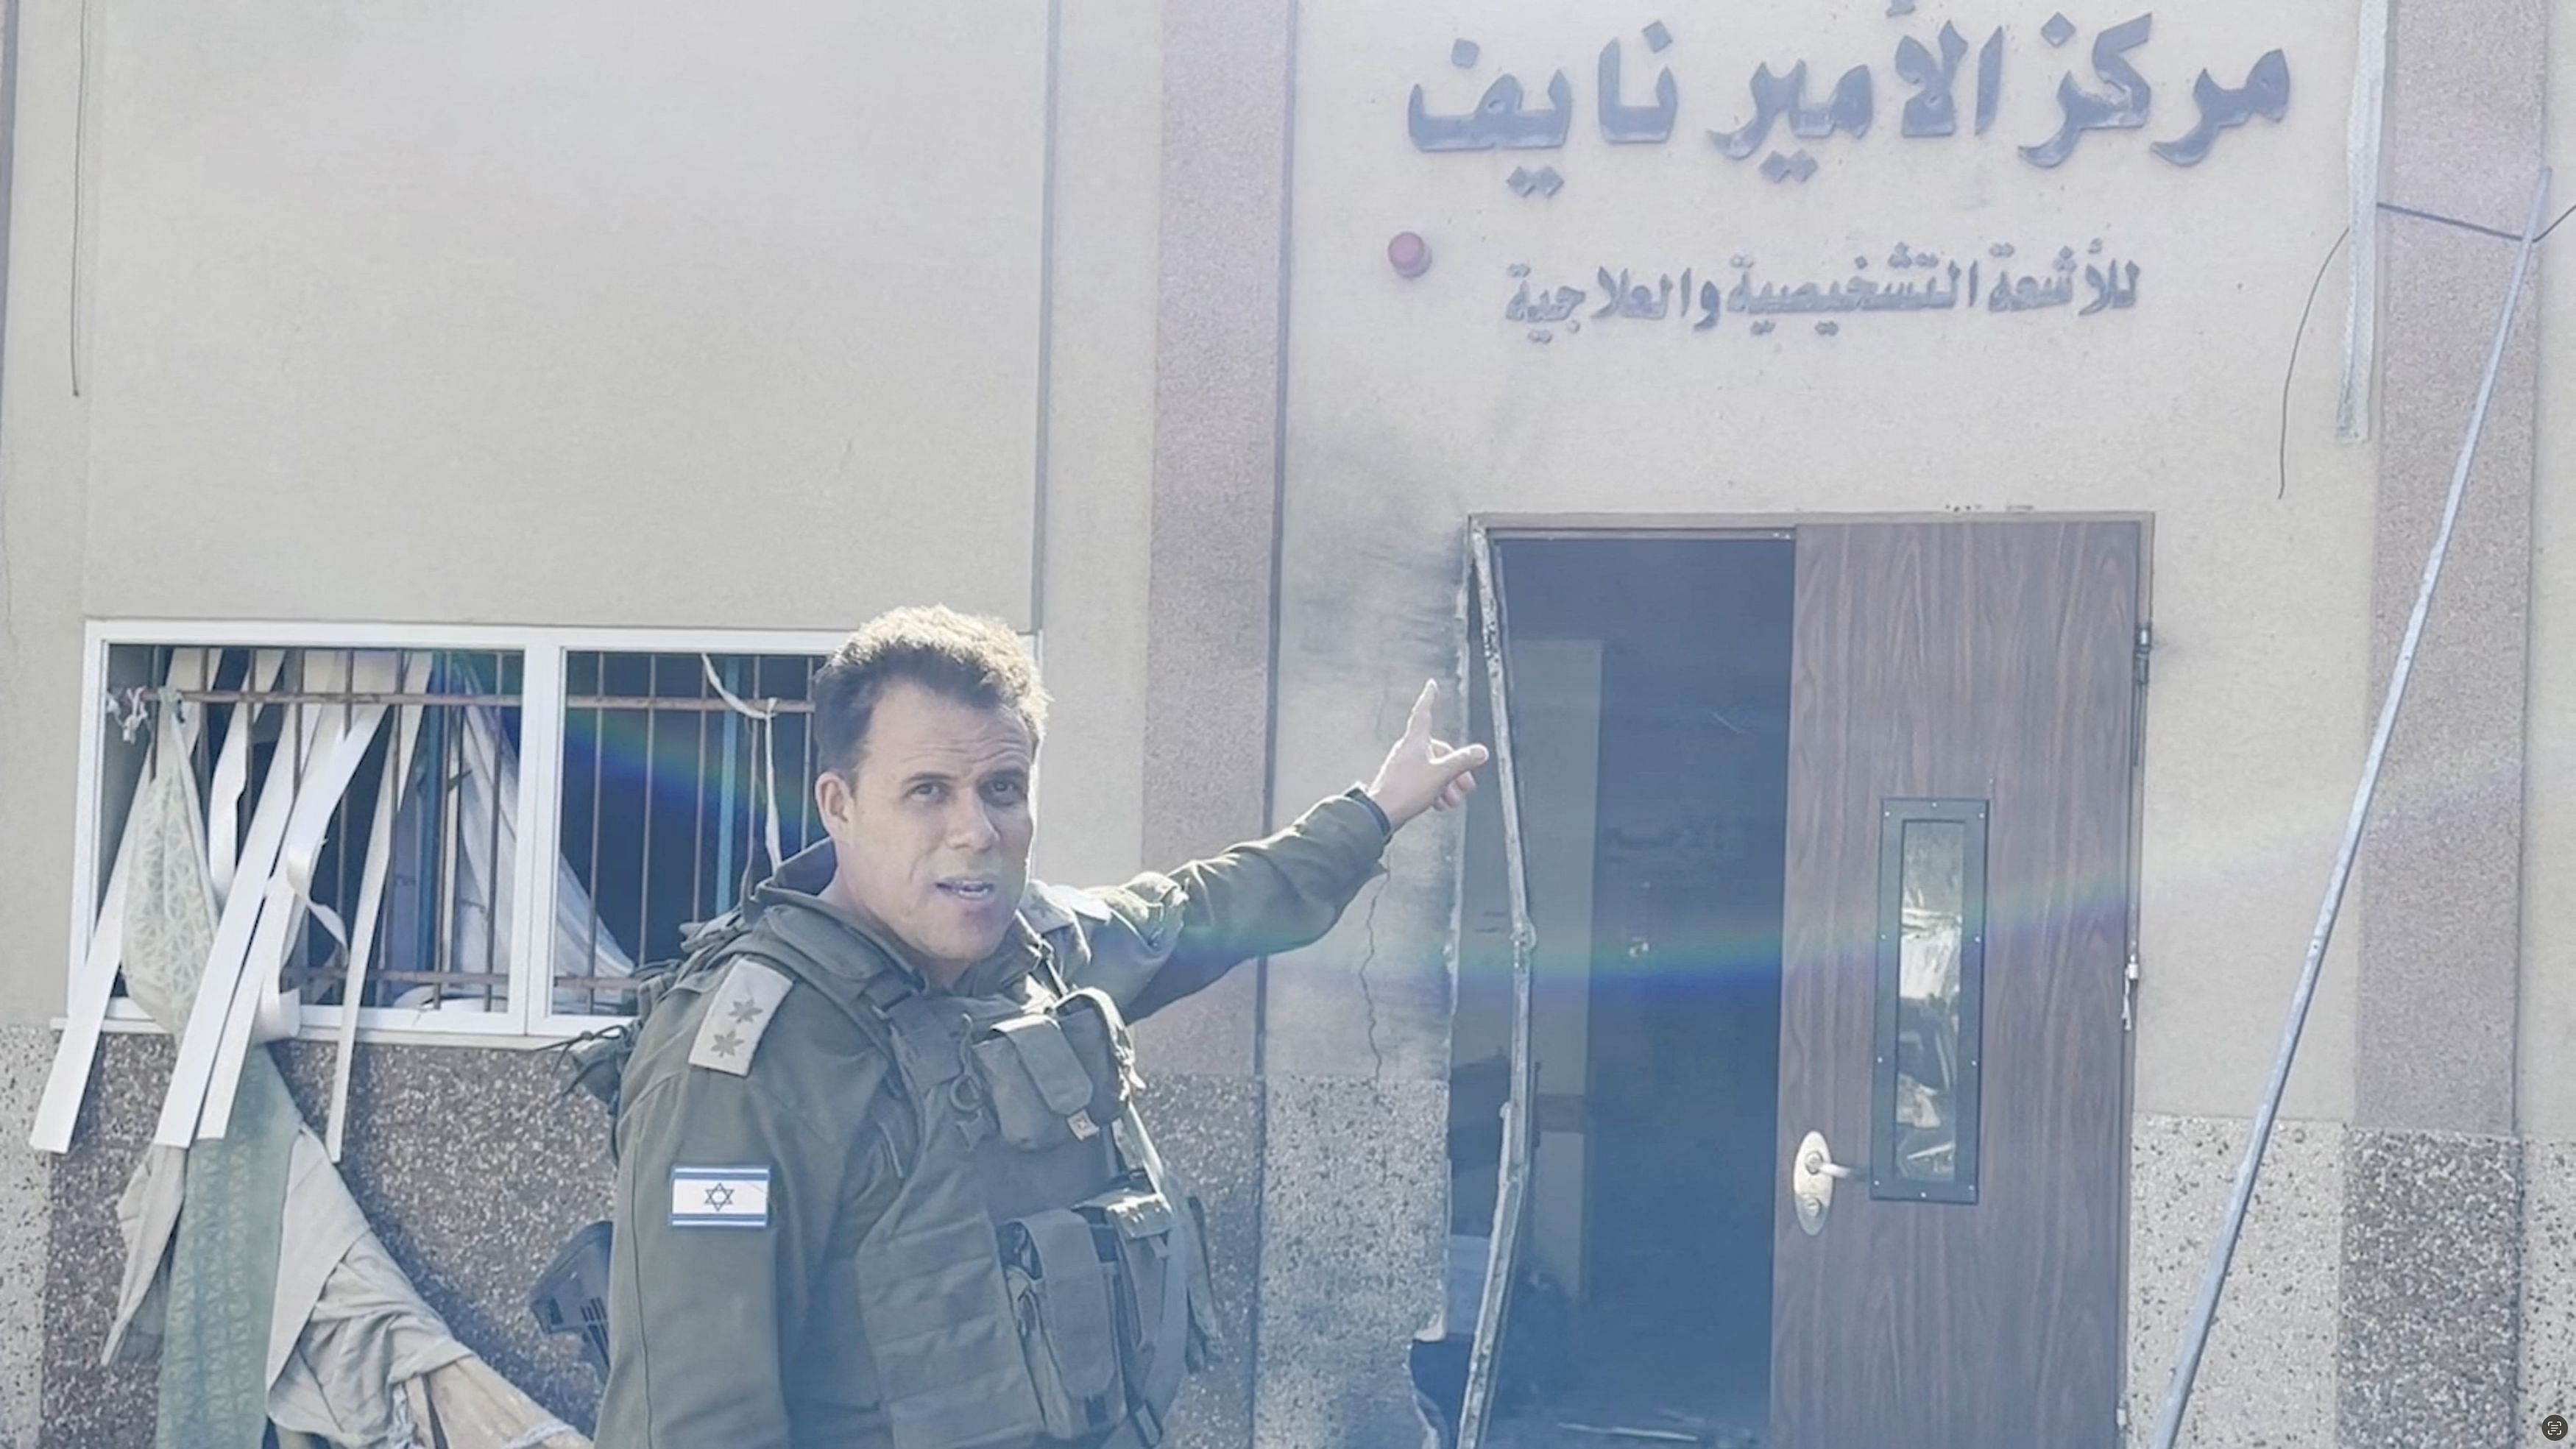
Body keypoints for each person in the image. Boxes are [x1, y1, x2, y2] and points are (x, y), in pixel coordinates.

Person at [592, 606, 1487, 1448]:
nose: (974, 830)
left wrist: (1375, 811)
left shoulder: (1032, 954)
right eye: (926, 792)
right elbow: (689, 1419)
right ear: (838, 803)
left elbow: (1200, 910)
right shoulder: (744, 1060)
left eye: (1002, 788)